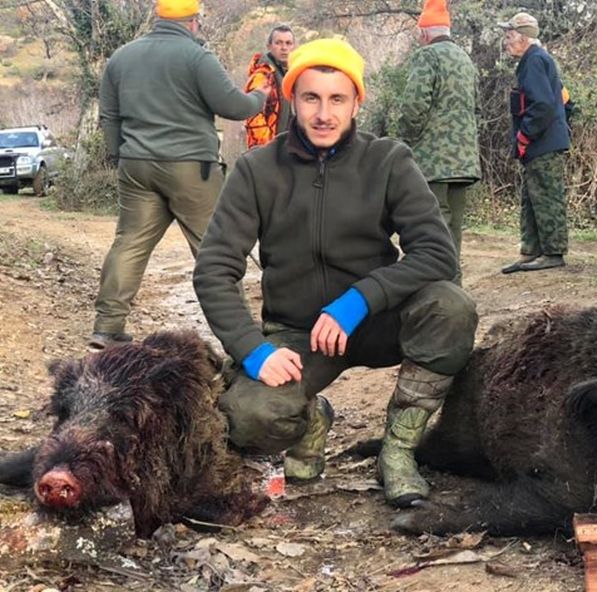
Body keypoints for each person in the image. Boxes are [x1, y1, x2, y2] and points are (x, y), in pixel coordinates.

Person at [193, 38, 478, 508]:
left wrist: (359, 300)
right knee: (245, 417)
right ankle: (311, 418)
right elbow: (213, 271)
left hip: (378, 320)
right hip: (299, 333)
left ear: (355, 103)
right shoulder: (256, 170)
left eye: (337, 99)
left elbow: (437, 253)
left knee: (451, 307)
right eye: (311, 98)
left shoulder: (388, 160)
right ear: (292, 99)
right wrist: (253, 351)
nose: (324, 114)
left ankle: (398, 450)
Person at [90, 0, 270, 350]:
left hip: (136, 164)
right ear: (193, 21)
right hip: (190, 167)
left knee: (129, 243)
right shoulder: (196, 57)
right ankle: (242, 335)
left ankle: (107, 327)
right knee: (215, 248)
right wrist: (259, 97)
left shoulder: (121, 57)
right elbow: (234, 106)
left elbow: (109, 116)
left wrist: (120, 155)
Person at [397, 0, 481, 284]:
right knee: (453, 225)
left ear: (424, 33)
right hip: (465, 160)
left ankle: (434, 284)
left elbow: (413, 107)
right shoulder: (465, 59)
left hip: (433, 161)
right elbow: (477, 107)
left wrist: (405, 142)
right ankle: (452, 284)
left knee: (433, 224)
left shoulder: (427, 56)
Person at [498, 12, 571, 274]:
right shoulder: (535, 60)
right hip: (542, 142)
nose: (506, 42)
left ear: (524, 38)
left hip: (542, 143)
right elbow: (564, 99)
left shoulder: (535, 61)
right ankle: (531, 251)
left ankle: (552, 253)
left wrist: (524, 136)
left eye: (509, 36)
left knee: (546, 197)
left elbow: (542, 105)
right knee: (531, 197)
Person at [244, 24, 297, 149]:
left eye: (288, 43)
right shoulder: (262, 76)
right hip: (268, 150)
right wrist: (268, 148)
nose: (284, 48)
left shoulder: (293, 75)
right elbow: (253, 115)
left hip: (289, 148)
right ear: (269, 46)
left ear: (293, 46)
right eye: (278, 43)